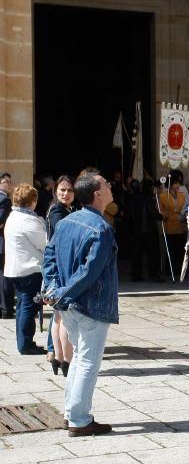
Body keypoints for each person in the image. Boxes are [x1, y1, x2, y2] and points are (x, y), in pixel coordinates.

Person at [43, 173, 119, 437]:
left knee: (78, 358)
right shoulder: (101, 228)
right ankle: (79, 419)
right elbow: (90, 271)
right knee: (87, 361)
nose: (111, 187)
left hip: (68, 304)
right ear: (97, 193)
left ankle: (70, 413)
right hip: (89, 304)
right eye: (107, 184)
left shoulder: (66, 222)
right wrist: (62, 291)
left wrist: (53, 289)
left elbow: (49, 256)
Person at [4, 183, 48, 355]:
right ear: (32, 201)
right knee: (29, 307)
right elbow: (45, 244)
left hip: (17, 269)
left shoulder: (13, 217)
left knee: (23, 306)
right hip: (30, 269)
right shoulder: (29, 220)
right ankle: (26, 344)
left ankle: (23, 341)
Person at [46, 175, 76, 375]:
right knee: (65, 317)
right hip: (60, 269)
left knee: (58, 316)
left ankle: (58, 358)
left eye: (69, 190)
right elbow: (64, 233)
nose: (66, 194)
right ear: (55, 191)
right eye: (62, 190)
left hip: (57, 268)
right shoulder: (57, 211)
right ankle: (67, 361)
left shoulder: (64, 210)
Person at [128, 179, 163, 282]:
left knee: (137, 254)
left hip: (136, 231)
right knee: (153, 254)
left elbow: (129, 216)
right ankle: (153, 274)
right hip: (149, 230)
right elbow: (152, 212)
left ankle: (136, 274)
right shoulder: (149, 198)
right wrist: (160, 217)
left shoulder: (132, 199)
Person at [158, 170, 187, 283]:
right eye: (175, 183)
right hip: (169, 225)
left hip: (180, 226)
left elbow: (184, 208)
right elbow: (160, 210)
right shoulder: (163, 196)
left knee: (180, 249)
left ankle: (179, 270)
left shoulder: (182, 196)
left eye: (178, 184)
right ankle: (169, 270)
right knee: (170, 250)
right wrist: (165, 215)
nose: (177, 186)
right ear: (170, 185)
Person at [0, 172, 14, 319]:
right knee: (4, 277)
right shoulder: (4, 200)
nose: (9, 184)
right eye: (6, 182)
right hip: (2, 243)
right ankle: (6, 308)